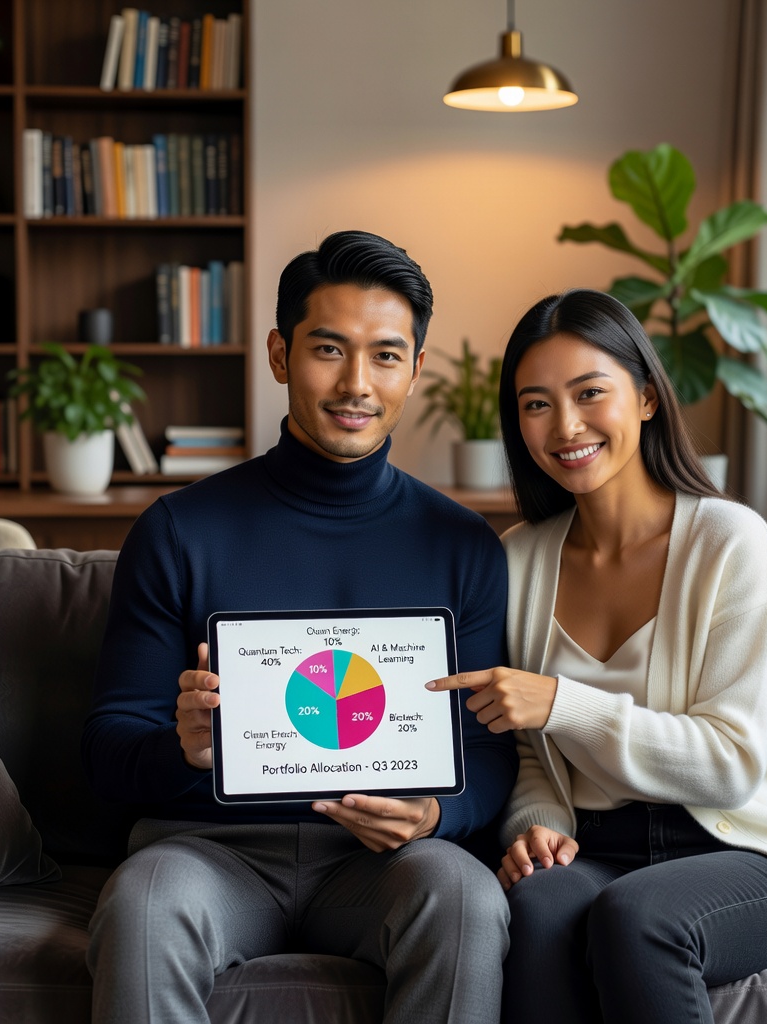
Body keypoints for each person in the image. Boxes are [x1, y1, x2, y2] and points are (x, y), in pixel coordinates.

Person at [82, 230, 517, 1024]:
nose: (356, 384)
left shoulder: (466, 547)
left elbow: (487, 753)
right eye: (328, 349)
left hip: (382, 862)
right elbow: (108, 750)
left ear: (416, 369)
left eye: (386, 356)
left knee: (464, 893)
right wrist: (183, 748)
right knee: (144, 900)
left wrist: (433, 815)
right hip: (208, 852)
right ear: (281, 355)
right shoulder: (179, 530)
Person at [428, 289, 767, 1024]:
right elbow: (527, 752)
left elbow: (733, 764)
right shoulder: (518, 559)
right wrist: (537, 825)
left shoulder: (730, 541)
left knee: (638, 916)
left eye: (590, 393)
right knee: (535, 906)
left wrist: (563, 703)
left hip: (738, 845)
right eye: (536, 404)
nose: (566, 425)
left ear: (647, 397)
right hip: (591, 846)